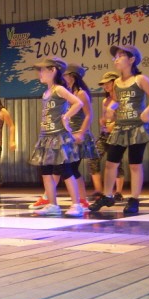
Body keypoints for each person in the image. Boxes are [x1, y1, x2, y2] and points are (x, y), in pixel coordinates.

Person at [90, 45, 149, 215]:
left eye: (120, 56)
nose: (116, 59)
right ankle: (107, 195)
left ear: (131, 60)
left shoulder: (140, 79)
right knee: (110, 163)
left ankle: (134, 199)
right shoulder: (116, 82)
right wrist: (111, 109)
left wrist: (146, 112)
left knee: (135, 164)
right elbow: (117, 100)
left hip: (137, 127)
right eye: (115, 56)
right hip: (120, 127)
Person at [28, 57, 84, 216]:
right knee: (46, 172)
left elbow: (77, 103)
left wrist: (66, 117)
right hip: (46, 136)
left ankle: (76, 204)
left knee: (66, 170)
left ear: (53, 70)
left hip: (58, 136)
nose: (39, 73)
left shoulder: (59, 89)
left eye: (42, 70)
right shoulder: (46, 92)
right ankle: (52, 204)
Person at [63, 64, 99, 211]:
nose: (63, 77)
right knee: (70, 168)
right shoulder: (67, 93)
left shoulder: (81, 93)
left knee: (72, 168)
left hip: (78, 135)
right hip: (68, 135)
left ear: (72, 76)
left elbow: (89, 115)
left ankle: (81, 200)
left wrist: (81, 133)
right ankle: (80, 200)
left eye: (65, 75)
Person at [88, 71, 125, 201]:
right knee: (93, 158)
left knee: (116, 162)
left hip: (117, 134)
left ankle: (118, 192)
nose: (105, 86)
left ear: (115, 82)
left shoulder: (122, 99)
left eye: (108, 83)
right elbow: (105, 117)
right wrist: (103, 121)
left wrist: (114, 123)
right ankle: (98, 190)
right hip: (105, 134)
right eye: (104, 84)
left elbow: (123, 116)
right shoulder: (105, 100)